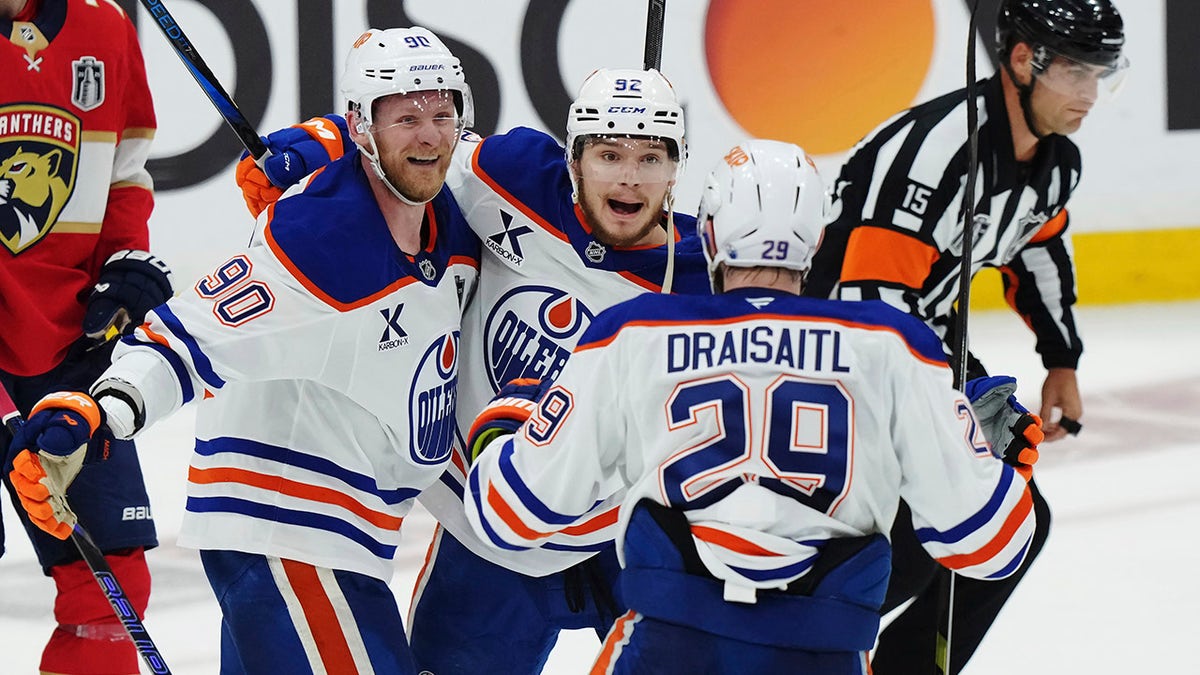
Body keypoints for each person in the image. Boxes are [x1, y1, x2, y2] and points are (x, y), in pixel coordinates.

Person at [462, 139, 1042, 674]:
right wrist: (990, 464)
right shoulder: (896, 345)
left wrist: (512, 416)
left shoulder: (631, 333)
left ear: (708, 234)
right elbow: (990, 546)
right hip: (824, 653)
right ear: (816, 241)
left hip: (668, 648)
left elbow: (509, 517)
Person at [8, 26, 481, 675]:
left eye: (441, 114)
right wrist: (92, 414)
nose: (429, 134)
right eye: (405, 117)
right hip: (289, 534)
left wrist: (319, 140)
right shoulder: (319, 238)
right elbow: (185, 338)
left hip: (345, 543)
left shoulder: (456, 206)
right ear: (365, 127)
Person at [237, 67, 711, 673]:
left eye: (650, 159)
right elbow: (416, 145)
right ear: (572, 159)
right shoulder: (511, 177)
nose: (627, 177)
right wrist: (318, 146)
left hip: (622, 538)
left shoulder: (701, 279)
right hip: (482, 527)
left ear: (678, 169)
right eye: (609, 154)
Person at [803, 0, 1127, 671]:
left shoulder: (1055, 162)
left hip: (921, 346)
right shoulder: (935, 152)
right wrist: (945, 407)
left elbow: (1037, 253)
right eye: (1075, 72)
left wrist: (1061, 360)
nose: (1090, 95)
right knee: (917, 547)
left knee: (1010, 526)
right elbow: (866, 305)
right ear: (1019, 61)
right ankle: (798, 647)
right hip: (826, 358)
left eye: (1100, 74)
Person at [0, 1, 169, 673]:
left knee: (110, 591)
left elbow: (125, 171)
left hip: (67, 332)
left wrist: (125, 260)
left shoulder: (105, 29)